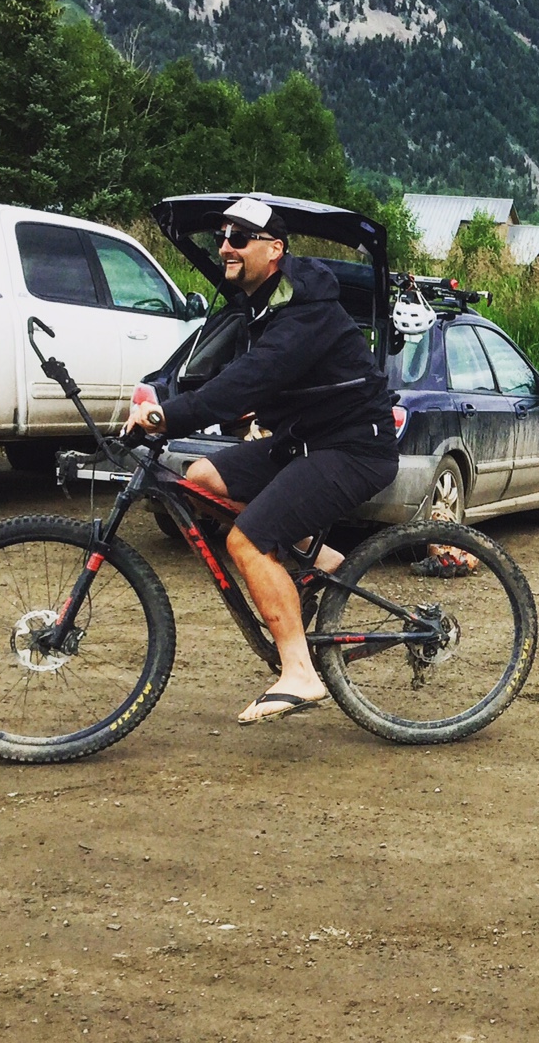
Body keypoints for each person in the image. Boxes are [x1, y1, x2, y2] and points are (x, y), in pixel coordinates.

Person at [127, 197, 399, 723]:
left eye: (239, 237)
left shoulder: (305, 309)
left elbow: (250, 381)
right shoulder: (258, 305)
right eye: (222, 237)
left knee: (246, 541)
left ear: (274, 250)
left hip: (353, 447)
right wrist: (164, 404)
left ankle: (300, 673)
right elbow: (219, 378)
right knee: (200, 477)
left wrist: (168, 418)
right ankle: (318, 560)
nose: (225, 245)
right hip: (306, 440)